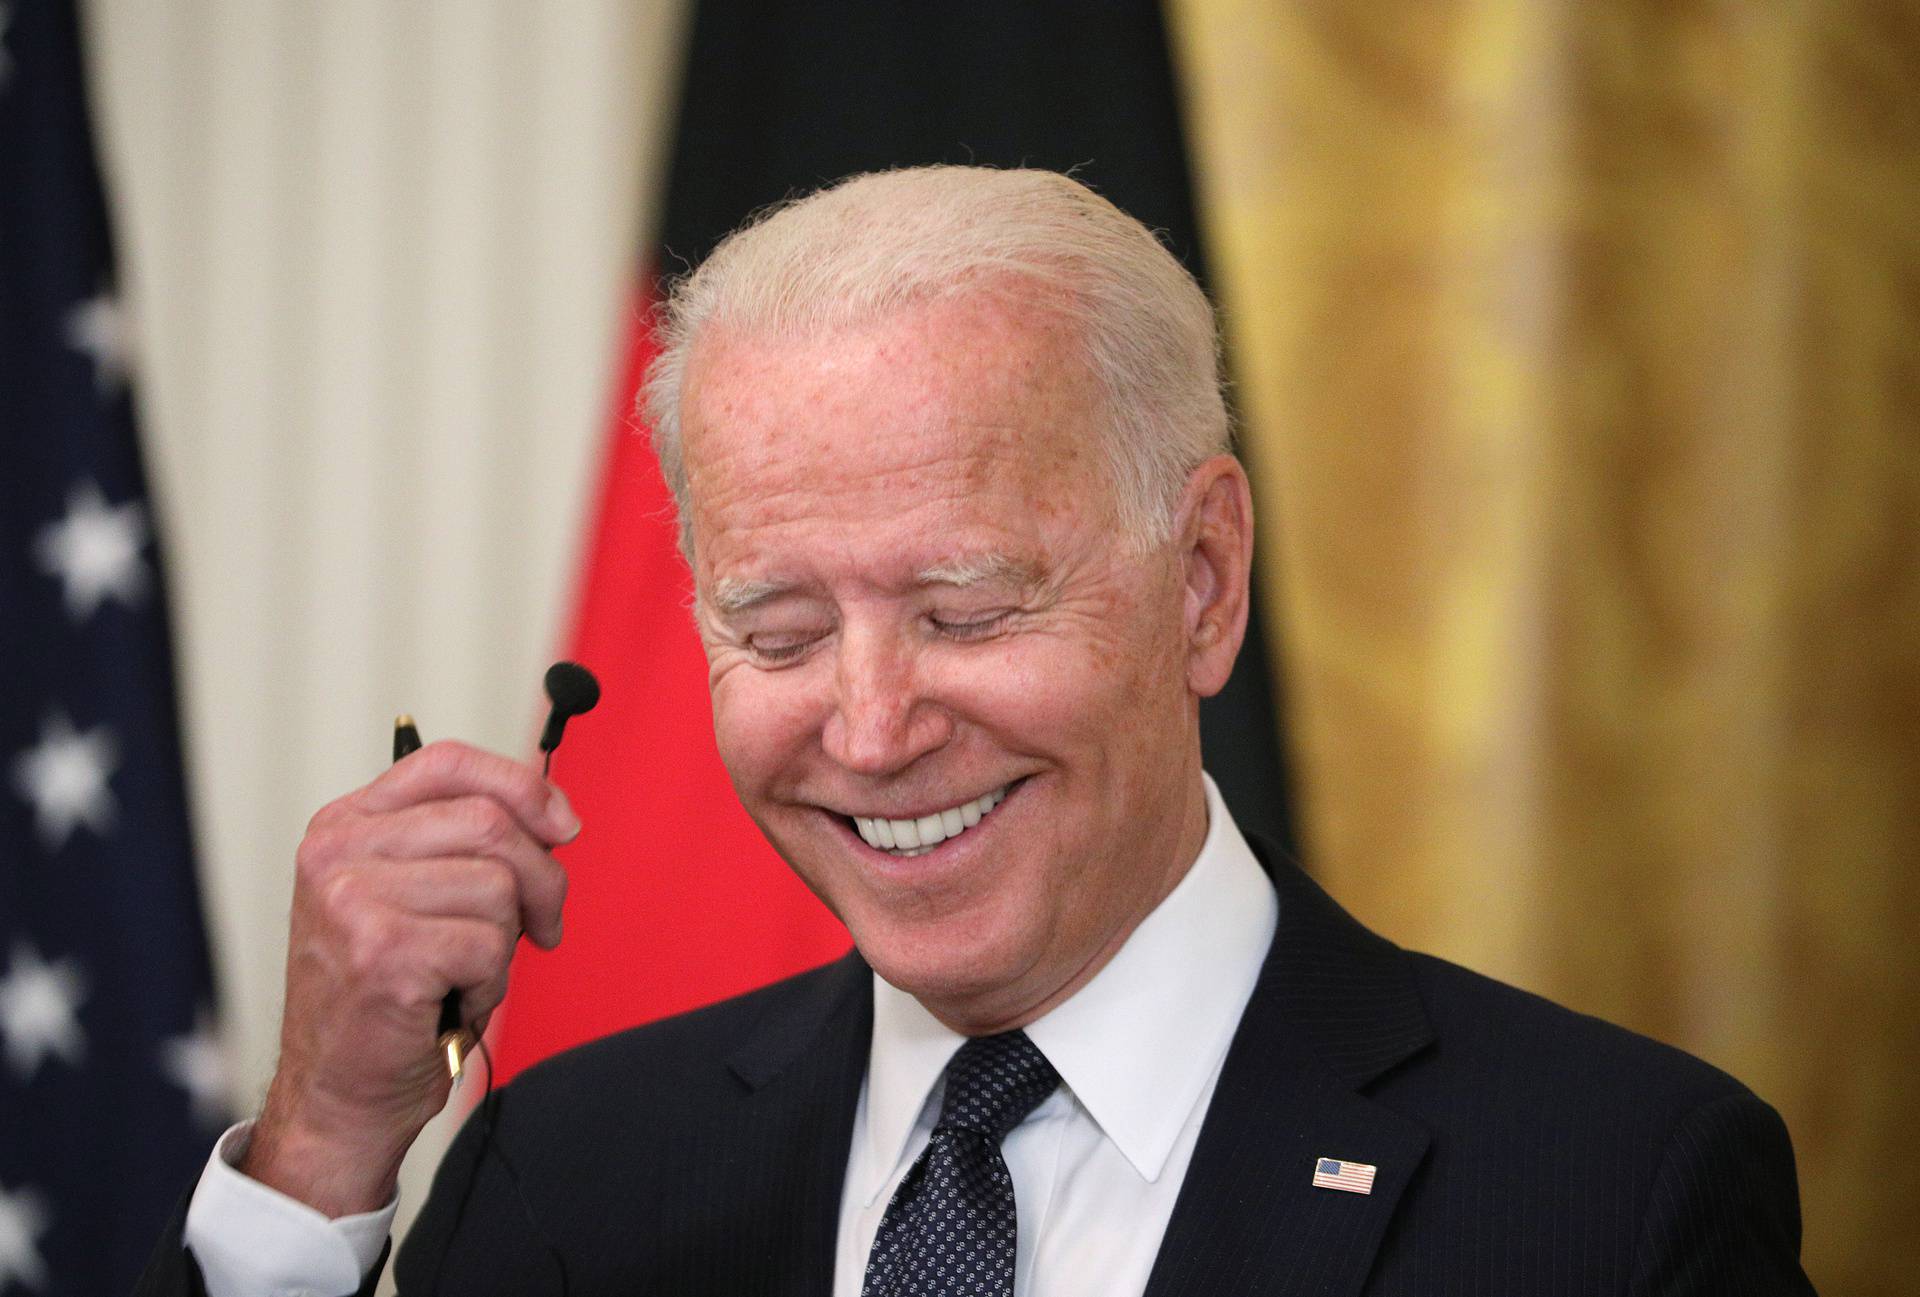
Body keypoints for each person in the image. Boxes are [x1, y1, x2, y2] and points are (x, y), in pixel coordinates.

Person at [139, 166, 1813, 1296]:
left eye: (967, 612)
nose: (868, 730)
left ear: (1205, 582)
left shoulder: (1613, 1199)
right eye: (779, 630)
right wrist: (321, 1152)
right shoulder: (572, 1178)